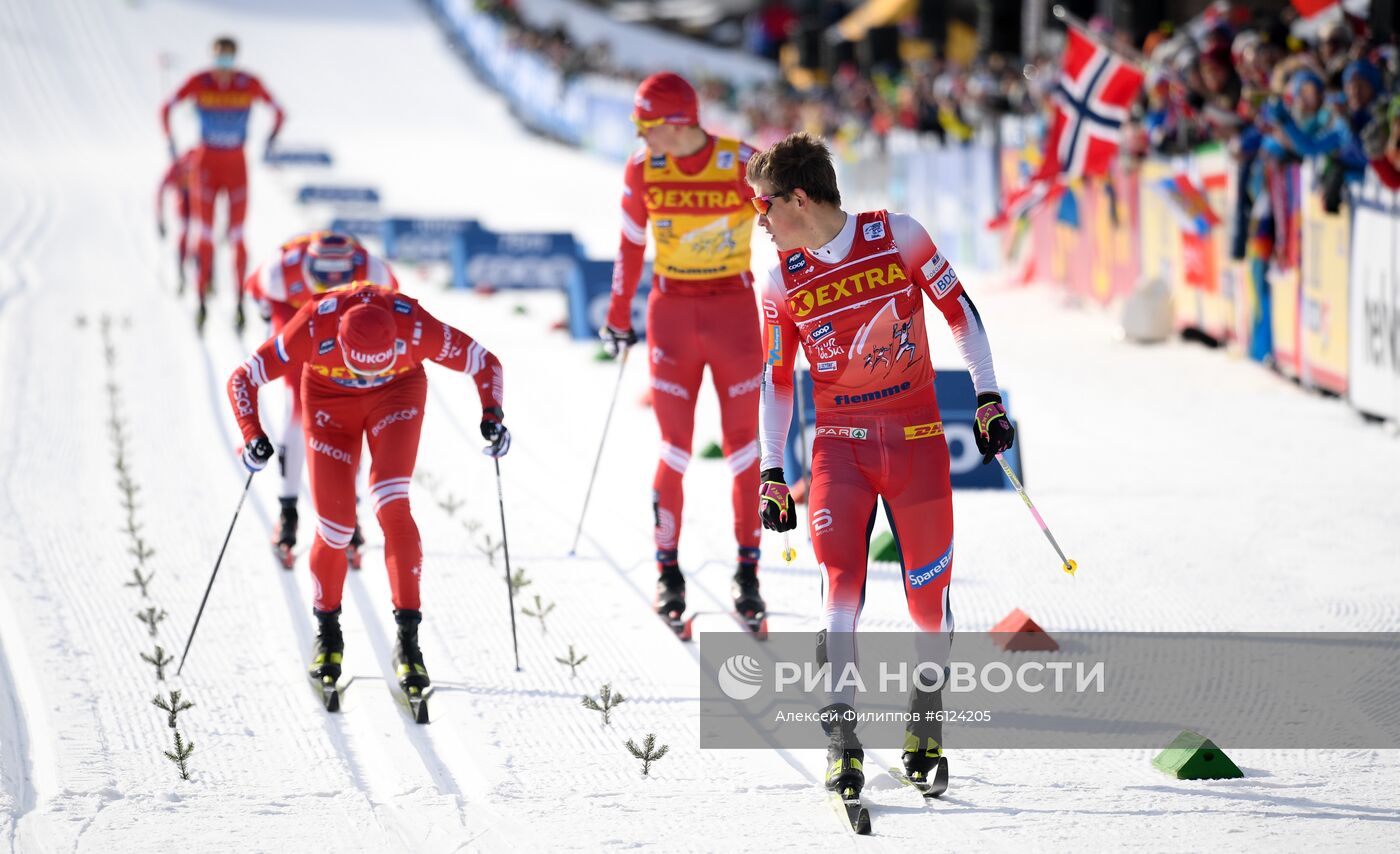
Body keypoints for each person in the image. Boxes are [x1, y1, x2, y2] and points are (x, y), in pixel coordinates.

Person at [749, 133, 1014, 800]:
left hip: (919, 439)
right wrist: (772, 471)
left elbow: (960, 312)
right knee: (841, 593)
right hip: (840, 447)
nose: (760, 221)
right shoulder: (781, 279)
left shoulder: (898, 235)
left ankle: (926, 725)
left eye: (765, 206)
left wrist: (986, 396)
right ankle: (843, 744)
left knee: (928, 603)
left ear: (800, 199)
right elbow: (776, 380)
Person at [226, 283, 508, 695]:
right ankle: (328, 634)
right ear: (340, 341)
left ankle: (409, 642)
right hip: (327, 402)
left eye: (376, 366)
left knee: (391, 503)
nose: (367, 377)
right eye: (361, 369)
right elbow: (243, 378)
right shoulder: (312, 325)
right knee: (336, 527)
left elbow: (486, 363)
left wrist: (492, 415)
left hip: (397, 396)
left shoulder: (414, 326)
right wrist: (253, 434)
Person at [599, 72, 766, 627]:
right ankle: (668, 574)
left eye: (647, 127)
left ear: (676, 123)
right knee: (675, 448)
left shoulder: (745, 163)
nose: (641, 138)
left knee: (744, 450)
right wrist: (618, 315)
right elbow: (629, 244)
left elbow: (792, 227)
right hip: (672, 317)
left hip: (735, 316)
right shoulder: (643, 168)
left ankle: (748, 576)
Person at [243, 231, 400, 569]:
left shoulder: (373, 271)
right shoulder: (279, 272)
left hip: (345, 316)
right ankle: (288, 511)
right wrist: (270, 324)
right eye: (321, 275)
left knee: (351, 404)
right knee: (297, 406)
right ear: (307, 265)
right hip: (294, 311)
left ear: (352, 268)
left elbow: (393, 303)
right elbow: (255, 290)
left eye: (339, 275)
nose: (329, 280)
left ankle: (350, 512)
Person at [161, 35, 284, 332]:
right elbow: (165, 108)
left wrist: (269, 143)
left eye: (228, 57)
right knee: (203, 232)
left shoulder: (249, 82)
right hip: (206, 164)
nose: (224, 64)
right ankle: (201, 297)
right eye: (219, 56)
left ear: (235, 57)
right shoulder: (199, 81)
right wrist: (171, 142)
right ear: (212, 55)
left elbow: (279, 112)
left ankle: (239, 302)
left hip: (236, 164)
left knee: (238, 236)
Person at [155, 149, 197, 292]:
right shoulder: (178, 167)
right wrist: (160, 219)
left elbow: (160, 190)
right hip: (186, 206)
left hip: (195, 205)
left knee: (197, 234)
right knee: (186, 232)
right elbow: (160, 189)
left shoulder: (183, 164)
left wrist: (160, 219)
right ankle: (183, 274)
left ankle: (195, 273)